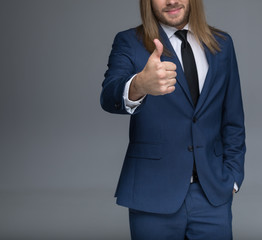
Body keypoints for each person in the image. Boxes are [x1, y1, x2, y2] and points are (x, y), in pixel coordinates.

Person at [100, 0, 246, 239]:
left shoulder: (222, 44)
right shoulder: (129, 42)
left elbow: (233, 119)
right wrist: (139, 85)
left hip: (212, 194)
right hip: (153, 193)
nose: (171, 1)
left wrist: (232, 178)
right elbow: (108, 96)